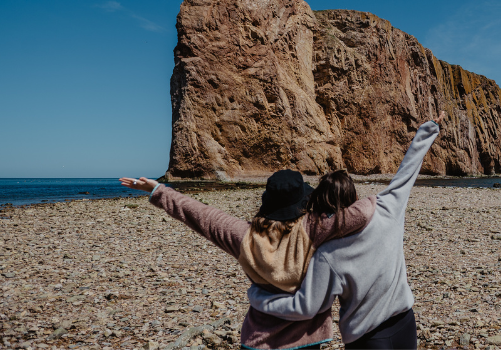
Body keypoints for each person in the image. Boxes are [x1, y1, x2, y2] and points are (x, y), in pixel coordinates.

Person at [247, 111, 445, 350]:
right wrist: (429, 129)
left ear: (318, 206)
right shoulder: (386, 209)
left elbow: (306, 307)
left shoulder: (326, 253)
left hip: (367, 339)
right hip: (405, 324)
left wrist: (259, 298)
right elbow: (408, 169)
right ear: (353, 197)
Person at [119, 169, 375, 350]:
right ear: (304, 202)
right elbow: (361, 213)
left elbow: (200, 215)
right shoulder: (315, 229)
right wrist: (387, 197)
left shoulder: (243, 236)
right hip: (306, 339)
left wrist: (157, 190)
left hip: (257, 340)